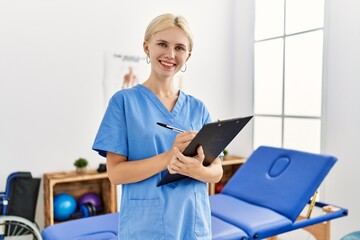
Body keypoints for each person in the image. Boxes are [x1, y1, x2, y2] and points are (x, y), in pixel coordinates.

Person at [92, 13, 223, 240]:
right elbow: (115, 174)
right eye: (162, 44)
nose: (170, 54)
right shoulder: (123, 102)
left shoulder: (197, 108)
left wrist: (197, 170)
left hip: (192, 224)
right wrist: (168, 158)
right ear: (146, 47)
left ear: (188, 55)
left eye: (180, 48)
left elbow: (217, 172)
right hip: (145, 227)